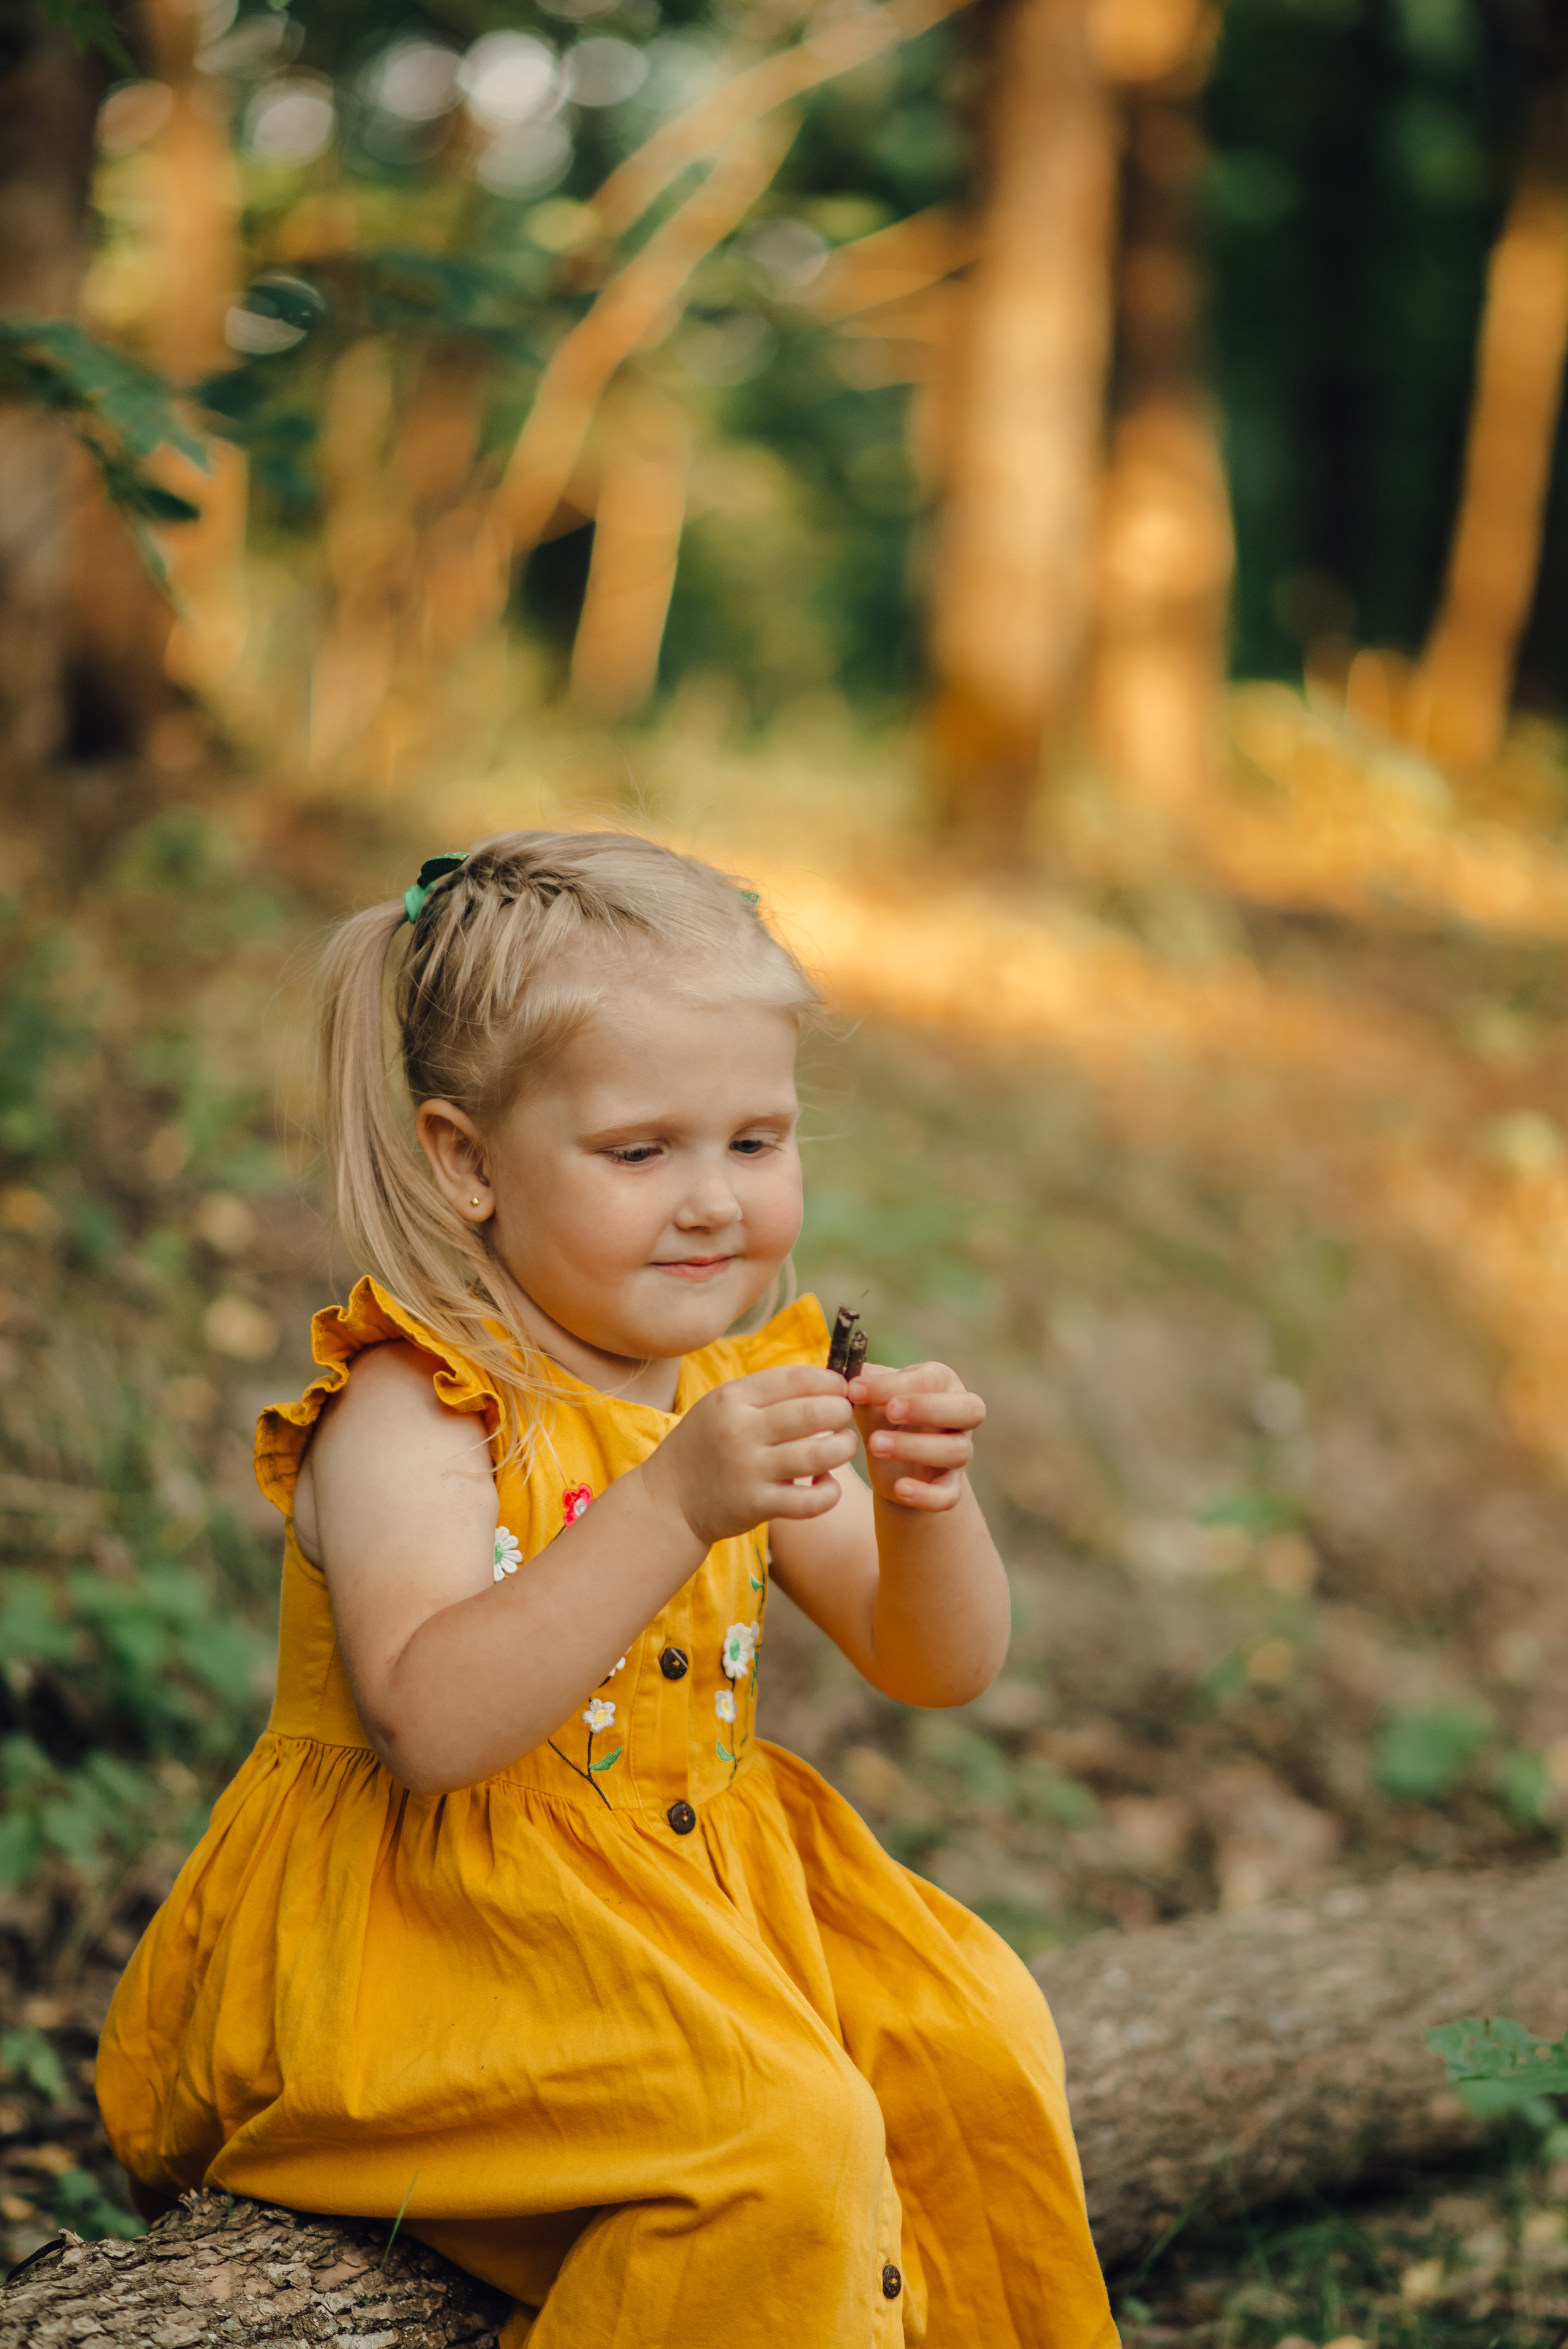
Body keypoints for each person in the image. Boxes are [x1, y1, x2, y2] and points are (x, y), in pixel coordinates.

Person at [97, 831, 1117, 2349]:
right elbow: (432, 1727)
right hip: (432, 1934)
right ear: (466, 1162)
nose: (711, 1201)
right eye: (641, 1152)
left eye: (755, 1142)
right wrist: (666, 1502)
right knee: (773, 2140)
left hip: (687, 1900)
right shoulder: (421, 1407)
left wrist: (926, 1506)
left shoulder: (730, 1387)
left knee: (966, 2040)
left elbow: (935, 1663)